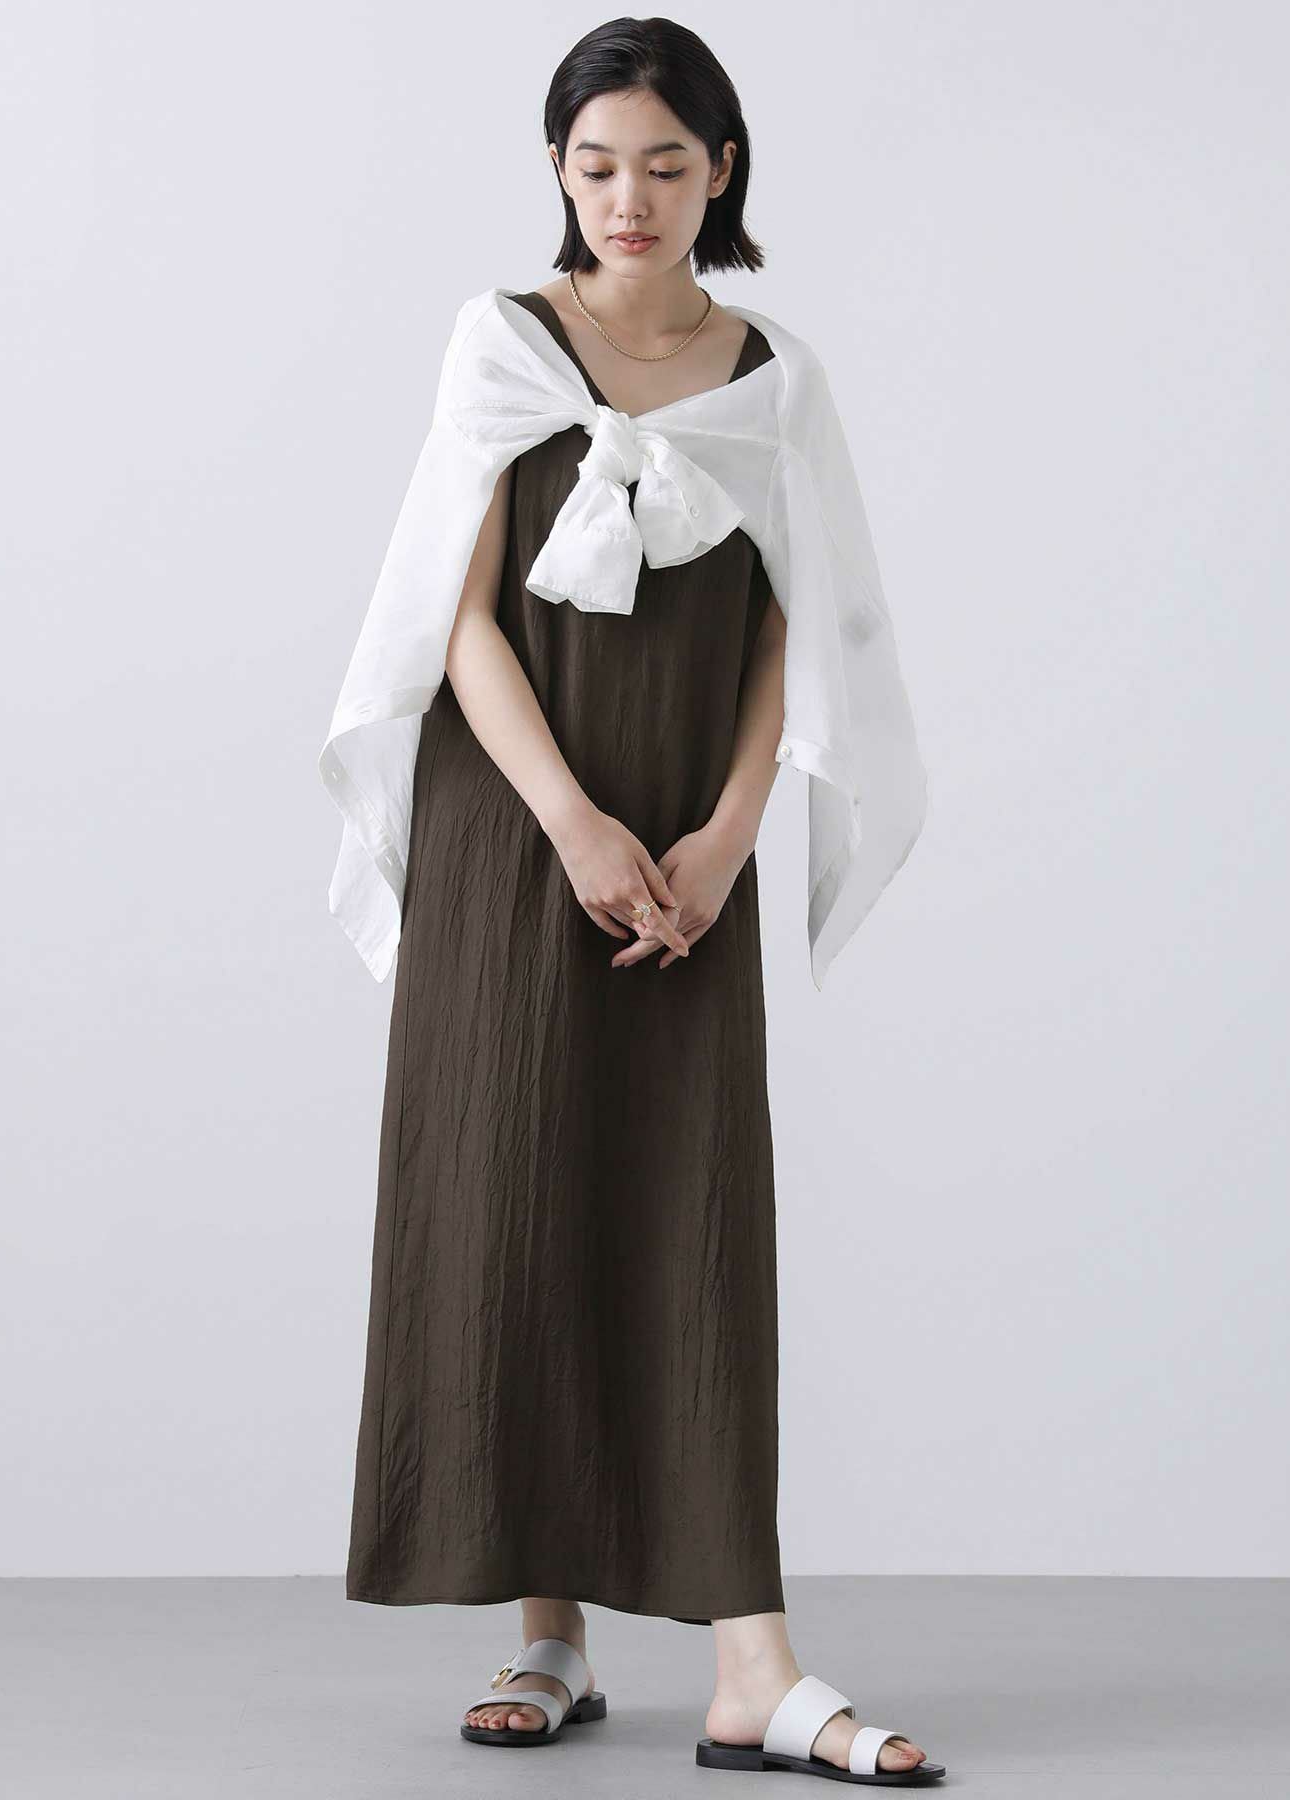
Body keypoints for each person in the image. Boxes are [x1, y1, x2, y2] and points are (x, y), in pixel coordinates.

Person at [319, 16, 941, 1788]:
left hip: (686, 842)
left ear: (721, 171)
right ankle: (551, 1635)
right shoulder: (503, 342)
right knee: (513, 1186)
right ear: (558, 172)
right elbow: (452, 613)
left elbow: (796, 628)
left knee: (685, 1205)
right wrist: (574, 826)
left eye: (667, 164)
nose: (630, 199)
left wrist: (730, 833)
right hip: (516, 821)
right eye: (596, 166)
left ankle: (755, 1668)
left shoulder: (774, 374)